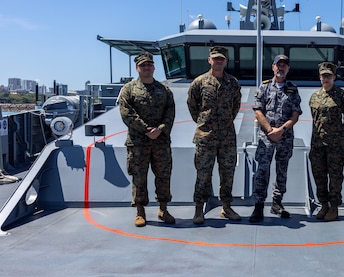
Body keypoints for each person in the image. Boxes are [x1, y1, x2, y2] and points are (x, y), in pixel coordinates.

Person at [119, 51, 176, 227]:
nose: (146, 67)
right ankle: (140, 212)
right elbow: (126, 113)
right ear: (137, 68)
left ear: (153, 67)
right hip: (138, 142)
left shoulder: (164, 89)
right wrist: (146, 129)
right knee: (139, 177)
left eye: (149, 65)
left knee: (163, 176)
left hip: (160, 141)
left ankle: (163, 209)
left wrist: (160, 129)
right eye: (143, 65)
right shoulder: (129, 89)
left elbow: (170, 112)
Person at [187, 46, 242, 225]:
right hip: (206, 136)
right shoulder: (199, 82)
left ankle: (226, 207)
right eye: (215, 58)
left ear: (226, 61)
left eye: (222, 59)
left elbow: (235, 106)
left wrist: (224, 122)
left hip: (227, 137)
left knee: (228, 174)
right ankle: (198, 209)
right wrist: (204, 122)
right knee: (203, 174)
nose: (218, 61)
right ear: (209, 60)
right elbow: (192, 105)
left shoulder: (232, 83)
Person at [249, 54, 302, 223]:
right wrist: (270, 130)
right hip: (266, 136)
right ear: (273, 67)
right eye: (278, 65)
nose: (281, 68)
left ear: (288, 69)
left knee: (282, 169)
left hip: (285, 136)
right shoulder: (264, 87)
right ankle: (258, 206)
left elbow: (295, 114)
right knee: (262, 170)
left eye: (284, 65)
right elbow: (258, 110)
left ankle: (277, 203)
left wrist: (282, 129)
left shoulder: (293, 89)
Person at [309, 62, 344, 221]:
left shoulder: (342, 96)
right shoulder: (315, 96)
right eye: (323, 75)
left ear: (334, 77)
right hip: (317, 145)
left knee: (335, 177)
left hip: (335, 146)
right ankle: (324, 205)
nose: (326, 78)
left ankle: (334, 207)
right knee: (319, 176)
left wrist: (339, 136)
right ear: (319, 77)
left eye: (329, 76)